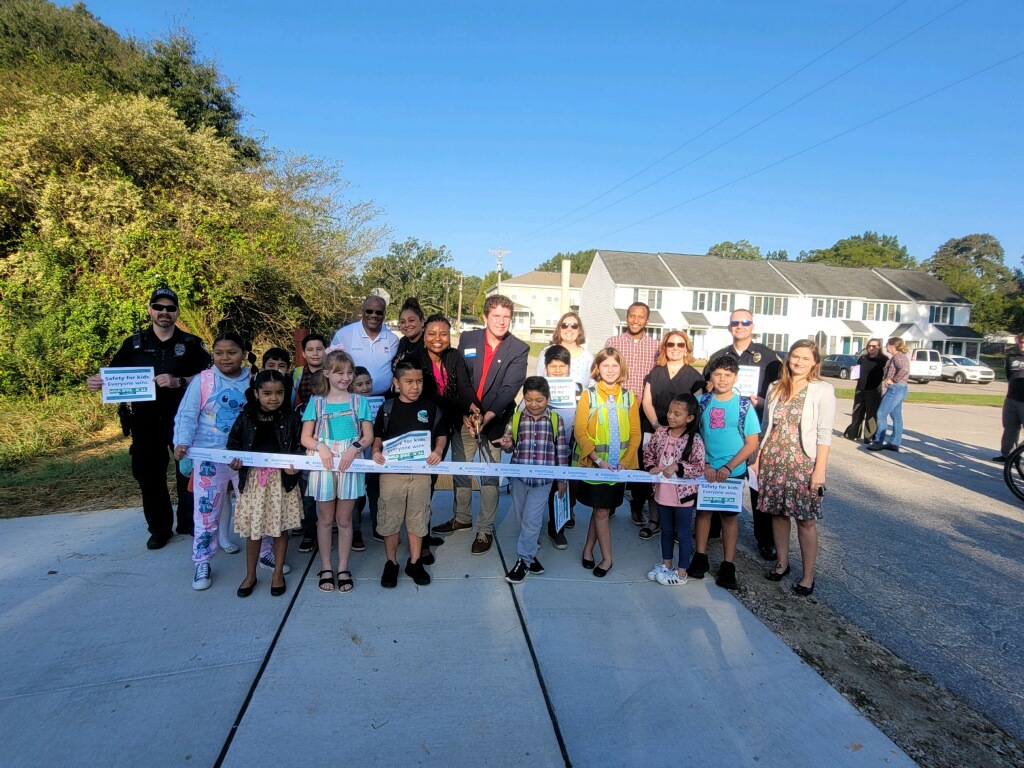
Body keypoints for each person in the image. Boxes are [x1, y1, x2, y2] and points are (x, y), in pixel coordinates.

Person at [86, 287, 210, 550]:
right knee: (149, 475)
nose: (164, 312)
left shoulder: (191, 343)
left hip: (183, 418)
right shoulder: (133, 344)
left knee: (188, 471)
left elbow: (209, 376)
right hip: (145, 419)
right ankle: (159, 529)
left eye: (170, 308)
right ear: (150, 310)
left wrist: (179, 381)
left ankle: (188, 524)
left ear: (177, 312)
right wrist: (99, 383)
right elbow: (114, 376)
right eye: (159, 307)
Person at [431, 295, 529, 556]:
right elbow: (459, 377)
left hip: (494, 421)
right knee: (461, 470)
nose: (501, 321)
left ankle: (484, 528)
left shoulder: (519, 348)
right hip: (464, 417)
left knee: (489, 476)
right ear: (486, 317)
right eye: (496, 316)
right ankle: (462, 518)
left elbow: (510, 388)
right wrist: (465, 410)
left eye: (506, 317)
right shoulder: (468, 339)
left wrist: (487, 416)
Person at [172, 332, 251, 591]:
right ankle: (202, 561)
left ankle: (264, 553)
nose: (225, 358)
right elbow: (186, 414)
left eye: (232, 352)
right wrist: (182, 442)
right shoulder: (203, 380)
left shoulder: (253, 379)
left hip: (244, 458)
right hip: (208, 458)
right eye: (219, 353)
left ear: (243, 353)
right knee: (206, 512)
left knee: (253, 507)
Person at [703, 308, 783, 560]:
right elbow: (707, 388)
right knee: (718, 476)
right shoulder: (719, 356)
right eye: (735, 322)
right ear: (729, 327)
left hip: (756, 428)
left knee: (757, 488)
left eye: (745, 322)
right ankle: (713, 529)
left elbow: (780, 392)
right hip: (725, 430)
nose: (740, 326)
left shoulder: (769, 357)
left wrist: (762, 402)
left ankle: (765, 540)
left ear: (752, 325)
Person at [759, 340, 836, 596]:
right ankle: (782, 564)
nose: (799, 362)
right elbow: (765, 426)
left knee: (805, 520)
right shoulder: (775, 387)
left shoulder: (822, 390)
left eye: (805, 358)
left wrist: (820, 470)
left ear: (815, 362)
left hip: (803, 462)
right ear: (788, 358)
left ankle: (808, 576)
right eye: (795, 356)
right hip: (773, 459)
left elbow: (825, 434)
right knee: (778, 514)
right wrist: (758, 458)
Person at [300, 349, 374, 594]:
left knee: (344, 520)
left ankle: (343, 567)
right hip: (325, 463)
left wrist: (354, 448)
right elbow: (305, 438)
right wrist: (320, 446)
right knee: (325, 519)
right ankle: (326, 567)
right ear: (327, 374)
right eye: (339, 372)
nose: (345, 377)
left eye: (349, 372)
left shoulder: (359, 401)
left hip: (350, 462)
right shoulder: (316, 402)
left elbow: (367, 436)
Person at [226, 370, 304, 598]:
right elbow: (233, 444)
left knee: (280, 528)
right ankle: (250, 575)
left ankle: (277, 573)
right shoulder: (246, 417)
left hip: (282, 482)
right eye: (267, 393)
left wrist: (295, 464)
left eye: (279, 393)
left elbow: (300, 445)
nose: (274, 398)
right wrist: (235, 461)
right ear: (256, 393)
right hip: (253, 482)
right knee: (254, 531)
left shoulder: (291, 418)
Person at [371, 360, 447, 588]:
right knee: (390, 519)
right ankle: (391, 562)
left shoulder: (431, 408)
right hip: (392, 474)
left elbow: (441, 434)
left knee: (418, 518)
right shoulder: (387, 409)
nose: (415, 386)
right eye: (409, 382)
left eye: (419, 381)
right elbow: (378, 436)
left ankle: (415, 562)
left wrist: (438, 450)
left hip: (421, 475)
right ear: (396, 383)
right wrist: (375, 450)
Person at [687, 356, 760, 591]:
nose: (722, 379)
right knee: (704, 512)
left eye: (728, 375)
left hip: (733, 471)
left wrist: (729, 467)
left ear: (736, 377)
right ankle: (700, 555)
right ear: (710, 376)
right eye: (718, 374)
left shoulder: (744, 406)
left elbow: (751, 443)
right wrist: (705, 463)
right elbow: (693, 435)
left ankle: (729, 564)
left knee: (729, 517)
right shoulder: (701, 402)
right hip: (706, 469)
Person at [575, 347, 642, 578]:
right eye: (606, 366)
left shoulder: (630, 398)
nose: (610, 370)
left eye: (615, 365)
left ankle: (587, 548)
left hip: (618, 468)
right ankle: (607, 558)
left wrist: (625, 461)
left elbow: (635, 433)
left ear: (621, 368)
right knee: (602, 510)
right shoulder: (589, 395)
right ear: (597, 368)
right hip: (596, 466)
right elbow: (580, 432)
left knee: (601, 510)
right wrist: (598, 459)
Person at [499, 377, 570, 584]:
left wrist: (562, 479)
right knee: (523, 520)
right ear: (524, 398)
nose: (534, 404)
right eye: (529, 399)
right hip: (520, 479)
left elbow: (561, 453)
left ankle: (523, 562)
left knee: (531, 521)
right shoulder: (517, 418)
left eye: (539, 400)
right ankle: (530, 556)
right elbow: (510, 446)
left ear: (547, 399)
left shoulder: (556, 420)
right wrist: (505, 444)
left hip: (543, 481)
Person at [639, 330, 704, 541]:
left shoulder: (695, 377)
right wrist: (659, 426)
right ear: (664, 347)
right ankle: (655, 520)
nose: (675, 348)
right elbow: (646, 402)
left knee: (677, 477)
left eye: (680, 345)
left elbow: (696, 408)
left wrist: (677, 431)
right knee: (654, 474)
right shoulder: (655, 373)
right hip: (655, 431)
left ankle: (677, 525)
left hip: (682, 436)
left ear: (687, 348)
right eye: (670, 344)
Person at [604, 302, 660, 527]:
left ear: (647, 320)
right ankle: (610, 503)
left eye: (641, 317)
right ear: (626, 317)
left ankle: (637, 504)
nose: (636, 320)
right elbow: (605, 371)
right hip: (616, 409)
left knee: (640, 459)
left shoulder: (656, 347)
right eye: (632, 316)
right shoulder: (613, 342)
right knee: (615, 454)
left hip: (644, 411)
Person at [644, 393, 705, 586]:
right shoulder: (661, 433)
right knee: (666, 531)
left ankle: (681, 573)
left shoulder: (694, 440)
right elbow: (648, 453)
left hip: (683, 497)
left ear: (689, 418)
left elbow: (698, 467)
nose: (671, 416)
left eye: (677, 414)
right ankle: (666, 565)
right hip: (662, 493)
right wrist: (650, 467)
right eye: (670, 411)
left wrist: (678, 467)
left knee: (684, 533)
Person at [542, 345, 582, 548]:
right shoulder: (538, 387)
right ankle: (534, 526)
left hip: (566, 451)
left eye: (562, 366)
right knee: (543, 490)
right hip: (541, 451)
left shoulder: (578, 389)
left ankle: (558, 528)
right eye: (553, 366)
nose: (557, 370)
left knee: (561, 490)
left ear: (569, 367)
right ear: (545, 367)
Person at [291, 332, 327, 554]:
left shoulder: (333, 373)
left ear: (326, 350)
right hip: (303, 434)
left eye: (319, 349)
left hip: (328, 435)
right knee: (307, 487)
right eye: (310, 350)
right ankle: (309, 530)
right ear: (303, 353)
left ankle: (327, 524)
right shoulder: (296, 375)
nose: (315, 353)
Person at [330, 295, 399, 397]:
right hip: (350, 397)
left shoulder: (393, 339)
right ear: (362, 311)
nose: (374, 315)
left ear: (384, 314)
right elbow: (332, 365)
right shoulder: (343, 334)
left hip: (383, 398)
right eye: (369, 311)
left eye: (378, 312)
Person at [867, 338, 910, 453]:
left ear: (892, 346)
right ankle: (894, 443)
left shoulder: (898, 357)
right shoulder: (896, 357)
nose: (886, 347)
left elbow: (904, 369)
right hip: (899, 389)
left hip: (896, 389)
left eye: (887, 345)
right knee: (896, 415)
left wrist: (893, 380)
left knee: (881, 414)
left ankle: (878, 442)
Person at [349, 366, 374, 551]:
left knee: (375, 491)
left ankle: (379, 526)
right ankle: (355, 530)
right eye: (359, 384)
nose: (365, 387)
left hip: (374, 454)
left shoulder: (381, 403)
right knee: (355, 495)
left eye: (368, 383)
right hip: (356, 454)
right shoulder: (348, 405)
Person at [843, 339, 887, 443]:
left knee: (871, 414)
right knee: (857, 412)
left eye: (874, 346)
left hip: (874, 390)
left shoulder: (883, 360)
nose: (871, 348)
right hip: (860, 388)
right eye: (869, 346)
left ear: (879, 347)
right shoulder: (863, 358)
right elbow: (857, 371)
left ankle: (869, 437)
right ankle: (853, 433)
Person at [535, 311, 594, 388]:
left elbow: (593, 385)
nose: (569, 329)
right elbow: (538, 380)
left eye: (574, 326)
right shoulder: (546, 352)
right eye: (564, 325)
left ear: (579, 330)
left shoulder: (588, 357)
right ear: (559, 329)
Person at [994, 333, 1024, 462]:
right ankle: (1008, 455)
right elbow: (1009, 376)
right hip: (1011, 398)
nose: (1022, 344)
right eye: (1021, 341)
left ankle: (1018, 453)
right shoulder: (1011, 358)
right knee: (1010, 429)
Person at [392, 297, 426, 373]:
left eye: (411, 320)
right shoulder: (402, 342)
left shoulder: (428, 343)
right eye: (402, 322)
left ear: (422, 321)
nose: (407, 325)